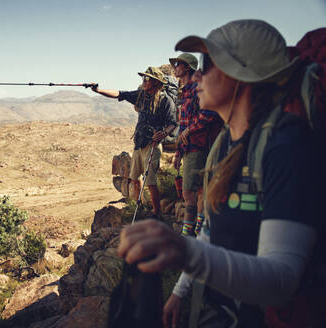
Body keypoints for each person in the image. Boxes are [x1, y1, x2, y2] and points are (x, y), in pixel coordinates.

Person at [117, 19, 324, 327]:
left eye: (209, 65)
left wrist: (184, 253)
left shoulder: (284, 146)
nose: (197, 75)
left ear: (243, 74)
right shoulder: (226, 144)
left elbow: (283, 281)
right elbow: (211, 233)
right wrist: (180, 290)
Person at [90, 67, 177, 217]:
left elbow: (172, 122)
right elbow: (119, 94)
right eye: (143, 78)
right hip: (139, 143)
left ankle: (157, 214)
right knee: (134, 178)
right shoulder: (141, 96)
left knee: (150, 181)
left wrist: (163, 133)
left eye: (147, 79)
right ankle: (141, 206)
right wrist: (98, 90)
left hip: (153, 146)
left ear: (156, 82)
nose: (144, 81)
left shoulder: (165, 101)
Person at [169, 53, 223, 236]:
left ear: (187, 67)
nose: (175, 67)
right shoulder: (185, 91)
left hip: (198, 145)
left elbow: (209, 114)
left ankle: (189, 233)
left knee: (189, 192)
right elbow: (183, 124)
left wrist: (189, 131)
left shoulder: (196, 89)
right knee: (198, 190)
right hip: (189, 147)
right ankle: (198, 231)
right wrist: (178, 153)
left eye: (178, 64)